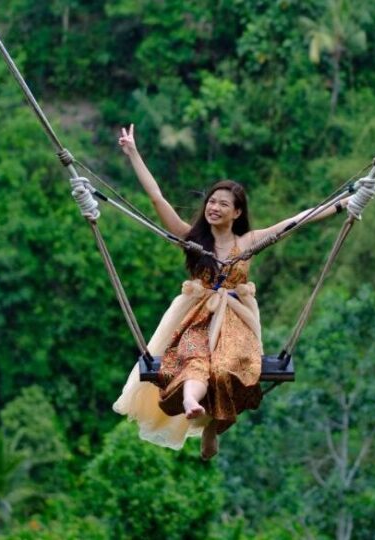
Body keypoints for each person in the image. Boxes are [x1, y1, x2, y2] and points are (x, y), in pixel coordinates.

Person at [113, 124, 350, 459]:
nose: (214, 207)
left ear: (237, 212)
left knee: (228, 368)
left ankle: (213, 426)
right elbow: (157, 197)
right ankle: (193, 401)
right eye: (212, 201)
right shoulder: (192, 237)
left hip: (236, 319)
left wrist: (344, 204)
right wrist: (134, 153)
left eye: (224, 204)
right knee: (193, 359)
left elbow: (299, 220)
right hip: (197, 317)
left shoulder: (248, 241)